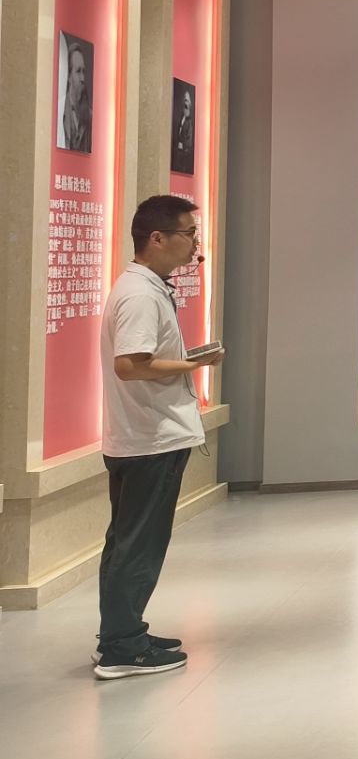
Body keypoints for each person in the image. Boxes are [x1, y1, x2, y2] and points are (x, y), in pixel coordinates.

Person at [95, 194, 221, 679]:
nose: (195, 246)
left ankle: (121, 632)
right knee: (138, 547)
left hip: (145, 436)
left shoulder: (147, 288)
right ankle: (123, 647)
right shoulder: (140, 295)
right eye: (189, 234)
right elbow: (130, 365)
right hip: (148, 439)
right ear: (157, 238)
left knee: (129, 542)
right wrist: (193, 365)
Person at [60, 36, 92, 153]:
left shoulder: (90, 116)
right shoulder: (60, 110)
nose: (83, 78)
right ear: (69, 76)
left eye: (84, 71)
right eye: (78, 71)